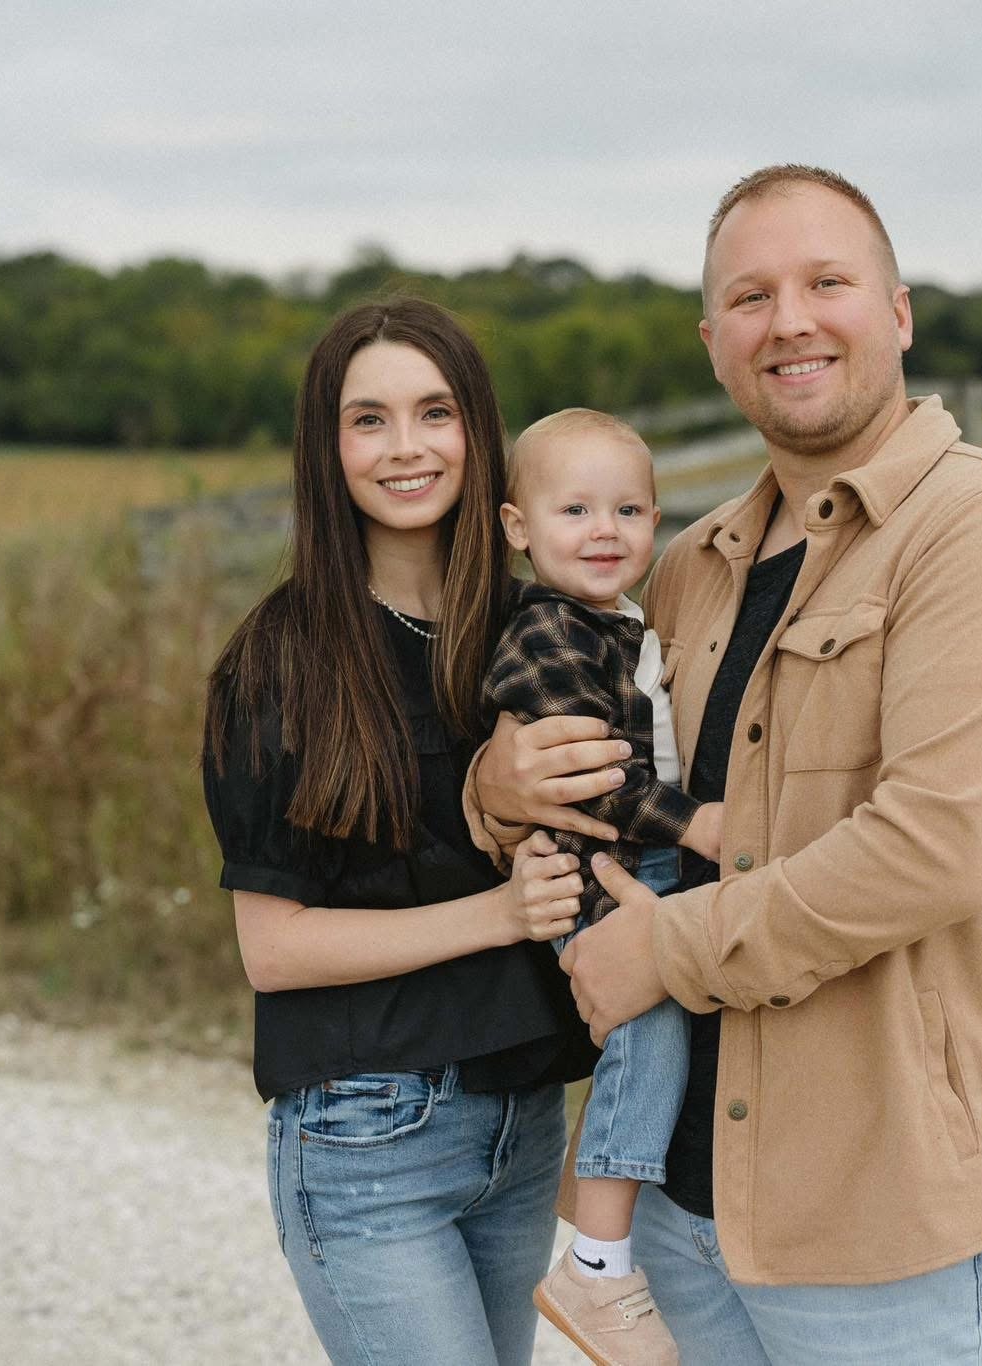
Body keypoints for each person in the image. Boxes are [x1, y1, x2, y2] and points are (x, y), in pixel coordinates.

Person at [470, 165, 982, 1364]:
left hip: (873, 1221)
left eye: (826, 282)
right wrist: (496, 790)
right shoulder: (690, 564)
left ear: (898, 312)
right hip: (675, 1211)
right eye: (750, 296)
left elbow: (933, 850)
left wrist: (668, 947)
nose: (790, 320)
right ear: (713, 344)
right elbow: (590, 764)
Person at [201, 298, 598, 1366]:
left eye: (434, 411)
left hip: (522, 1126)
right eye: (367, 419)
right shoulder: (278, 661)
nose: (407, 447)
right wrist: (499, 910)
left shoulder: (539, 632)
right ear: (326, 449)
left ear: (478, 428)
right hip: (363, 1135)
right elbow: (274, 948)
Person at [482, 408, 725, 1363]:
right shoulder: (547, 635)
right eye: (574, 509)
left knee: (653, 1043)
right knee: (651, 1029)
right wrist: (699, 820)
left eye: (629, 510)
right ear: (517, 528)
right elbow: (592, 778)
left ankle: (610, 1222)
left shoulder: (618, 620)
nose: (604, 530)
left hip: (638, 865)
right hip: (596, 869)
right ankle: (595, 1263)